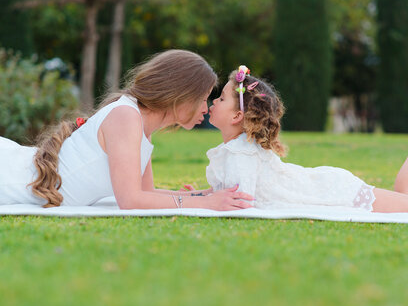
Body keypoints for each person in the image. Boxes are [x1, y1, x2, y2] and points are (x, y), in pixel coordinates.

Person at [205, 65, 408, 213]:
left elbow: (238, 201)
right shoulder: (236, 149)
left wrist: (199, 200)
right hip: (324, 186)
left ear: (237, 117)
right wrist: (199, 196)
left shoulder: (240, 153)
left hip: (333, 193)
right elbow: (232, 192)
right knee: (406, 200)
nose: (212, 103)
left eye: (219, 99)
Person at [0, 50, 253, 210]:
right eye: (203, 98)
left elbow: (147, 194)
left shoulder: (142, 125)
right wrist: (203, 203)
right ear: (181, 96)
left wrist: (203, 195)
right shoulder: (126, 117)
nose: (205, 108)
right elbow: (131, 201)